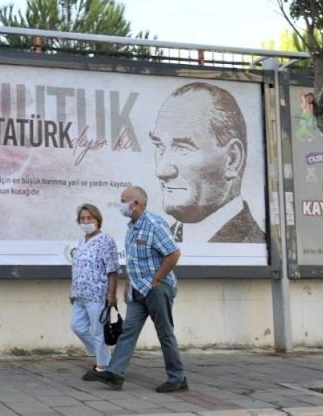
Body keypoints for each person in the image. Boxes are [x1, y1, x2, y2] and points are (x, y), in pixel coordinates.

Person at [87, 186, 187, 393]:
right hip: (137, 290)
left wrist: (157, 280)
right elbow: (134, 261)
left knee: (165, 333)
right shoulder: (132, 227)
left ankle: (177, 378)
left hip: (157, 289)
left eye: (124, 201)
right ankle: (115, 374)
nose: (121, 205)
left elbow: (173, 254)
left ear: (136, 204)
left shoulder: (154, 224)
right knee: (128, 331)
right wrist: (128, 284)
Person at [149, 82, 265, 243]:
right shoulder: (162, 240)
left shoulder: (253, 244)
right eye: (160, 146)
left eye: (183, 148)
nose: (161, 171)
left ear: (232, 159)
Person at [67, 204, 120, 379]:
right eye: (82, 219)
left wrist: (111, 294)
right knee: (77, 327)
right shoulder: (81, 241)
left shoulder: (105, 240)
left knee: (98, 332)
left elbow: (112, 270)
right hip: (79, 294)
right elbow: (78, 268)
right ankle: (103, 356)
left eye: (89, 218)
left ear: (97, 219)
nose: (86, 221)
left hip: (97, 294)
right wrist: (72, 290)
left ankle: (103, 366)